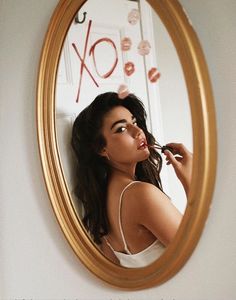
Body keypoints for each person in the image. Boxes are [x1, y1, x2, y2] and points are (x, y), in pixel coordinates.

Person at [71, 92, 192, 268]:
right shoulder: (141, 194)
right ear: (101, 149)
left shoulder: (103, 205)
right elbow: (199, 255)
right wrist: (192, 182)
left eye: (134, 122)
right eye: (121, 129)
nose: (138, 132)